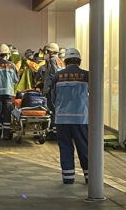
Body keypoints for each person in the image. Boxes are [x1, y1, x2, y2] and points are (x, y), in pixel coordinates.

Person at [51, 48, 89, 184]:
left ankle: (68, 178)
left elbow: (52, 97)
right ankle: (89, 177)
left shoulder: (58, 76)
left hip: (62, 119)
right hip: (81, 118)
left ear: (65, 61)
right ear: (79, 60)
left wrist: (57, 111)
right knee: (84, 147)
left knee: (65, 147)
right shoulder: (87, 75)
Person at [0, 44, 18, 141]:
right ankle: (6, 135)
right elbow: (15, 80)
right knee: (7, 113)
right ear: (8, 54)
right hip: (8, 93)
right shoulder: (12, 65)